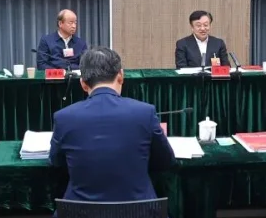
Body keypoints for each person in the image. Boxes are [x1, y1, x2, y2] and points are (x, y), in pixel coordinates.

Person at [50, 47, 176, 202]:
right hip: (139, 213)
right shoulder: (145, 112)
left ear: (83, 84)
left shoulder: (63, 117)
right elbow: (165, 160)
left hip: (80, 214)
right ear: (121, 76)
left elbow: (56, 162)